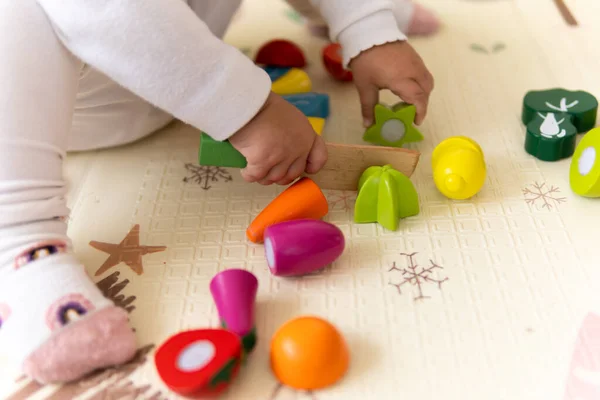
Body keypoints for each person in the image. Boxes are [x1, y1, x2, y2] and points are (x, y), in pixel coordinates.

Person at [0, 0, 436, 384]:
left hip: (174, 56)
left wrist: (365, 25)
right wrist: (246, 108)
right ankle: (20, 242)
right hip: (58, 102)